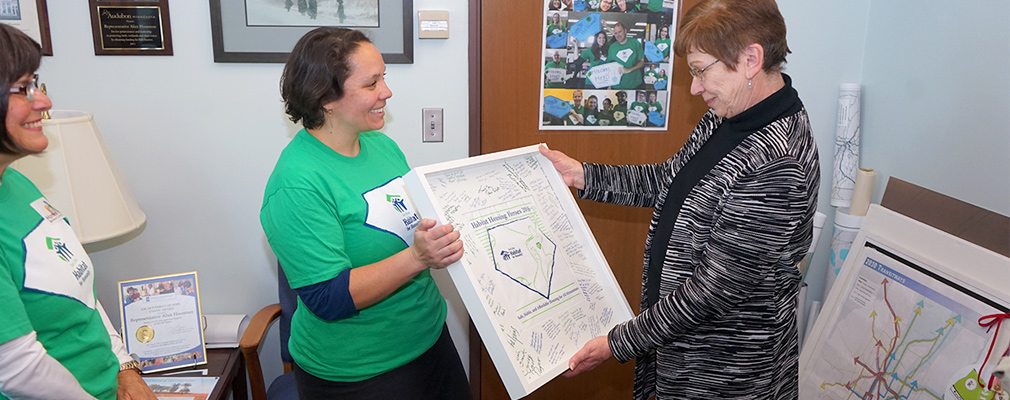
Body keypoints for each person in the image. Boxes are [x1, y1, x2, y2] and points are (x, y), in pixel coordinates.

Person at [542, 0, 819, 398]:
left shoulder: (777, 164)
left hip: (723, 375)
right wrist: (583, 175)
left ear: (750, 60)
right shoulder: (729, 114)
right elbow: (669, 180)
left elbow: (711, 292)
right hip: (677, 350)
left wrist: (615, 344)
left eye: (702, 71)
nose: (694, 88)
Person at [260, 27, 470, 399]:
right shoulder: (296, 184)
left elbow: (411, 225)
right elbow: (329, 298)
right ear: (325, 96)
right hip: (359, 373)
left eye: (383, 78)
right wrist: (418, 257)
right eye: (371, 83)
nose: (386, 92)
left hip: (429, 342)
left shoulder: (381, 146)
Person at [0, 24, 156, 400]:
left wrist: (123, 367)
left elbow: (79, 288)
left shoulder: (18, 185)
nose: (44, 102)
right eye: (23, 89)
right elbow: (16, 368)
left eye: (37, 84)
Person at [607, 22, 644, 89]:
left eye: (620, 32)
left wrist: (629, 69)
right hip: (617, 85)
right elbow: (610, 67)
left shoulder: (635, 43)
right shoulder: (612, 47)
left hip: (635, 84)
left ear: (625, 31)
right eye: (615, 33)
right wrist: (609, 85)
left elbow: (642, 61)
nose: (618, 35)